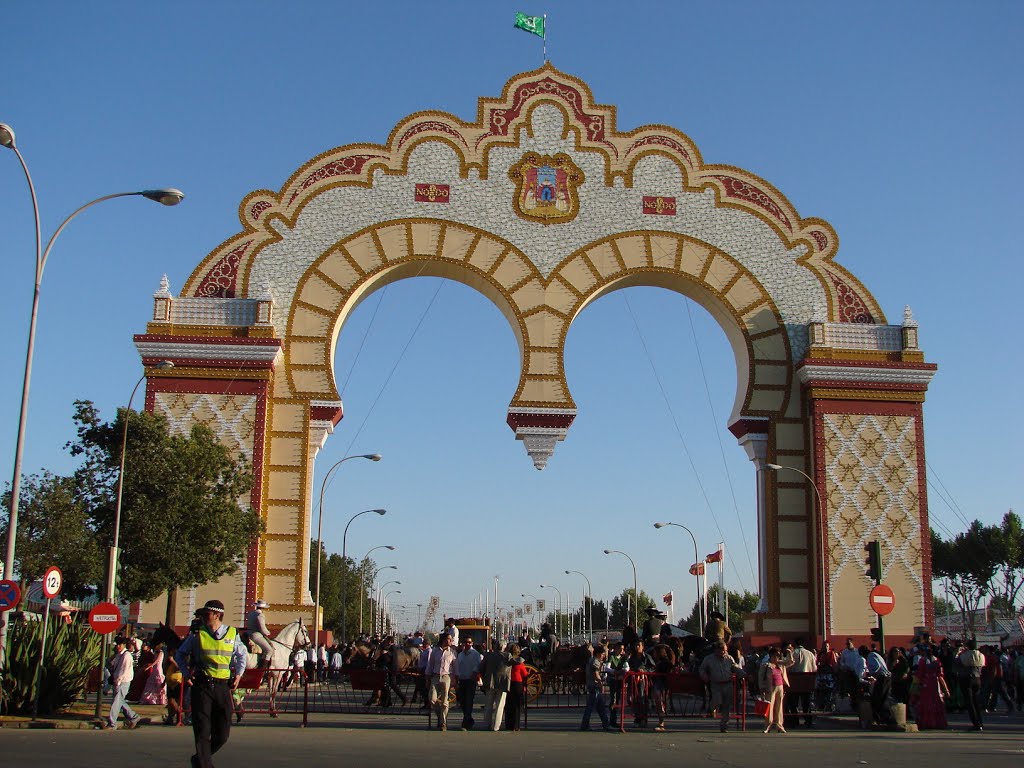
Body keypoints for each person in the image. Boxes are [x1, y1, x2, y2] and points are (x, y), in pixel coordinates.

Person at [175, 599, 248, 768]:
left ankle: (200, 758)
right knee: (202, 729)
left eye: (206, 614)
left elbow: (242, 655)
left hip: (222, 687)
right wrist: (186, 674)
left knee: (223, 732)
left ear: (217, 615)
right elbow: (180, 654)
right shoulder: (198, 634)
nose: (203, 618)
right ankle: (204, 763)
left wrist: (239, 674)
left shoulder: (232, 633)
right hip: (202, 685)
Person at [699, 640, 744, 733]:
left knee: (726, 706)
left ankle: (724, 725)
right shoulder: (709, 659)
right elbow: (702, 669)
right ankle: (711, 709)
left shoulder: (729, 658)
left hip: (728, 684)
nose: (724, 652)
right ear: (717, 650)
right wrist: (704, 675)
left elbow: (735, 667)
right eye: (722, 650)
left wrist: (744, 674)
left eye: (725, 650)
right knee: (717, 700)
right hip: (716, 684)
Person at [104, 635, 141, 730]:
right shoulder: (118, 655)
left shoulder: (127, 655)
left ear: (124, 645)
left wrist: (118, 681)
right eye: (117, 645)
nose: (117, 646)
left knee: (116, 703)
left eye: (119, 644)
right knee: (120, 702)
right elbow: (112, 666)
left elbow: (123, 671)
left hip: (123, 682)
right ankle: (134, 717)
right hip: (117, 681)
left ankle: (112, 723)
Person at [427, 633, 459, 731]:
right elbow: (430, 664)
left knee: (445, 702)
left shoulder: (453, 652)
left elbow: (456, 667)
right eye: (448, 639)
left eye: (451, 639)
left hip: (447, 677)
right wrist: (427, 677)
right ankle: (440, 716)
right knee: (432, 699)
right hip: (436, 676)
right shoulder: (435, 651)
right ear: (443, 640)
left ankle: (443, 723)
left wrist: (455, 680)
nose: (450, 641)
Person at [914, 645, 949, 730]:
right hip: (935, 683)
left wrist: (917, 685)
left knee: (926, 702)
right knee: (936, 702)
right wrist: (946, 689)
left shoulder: (923, 661)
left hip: (926, 683)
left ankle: (927, 722)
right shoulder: (937, 661)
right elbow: (940, 676)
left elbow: (919, 675)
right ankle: (937, 722)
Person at [784, 637, 817, 727]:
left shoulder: (792, 653)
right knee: (806, 703)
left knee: (792, 703)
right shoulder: (810, 654)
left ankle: (795, 720)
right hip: (806, 680)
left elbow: (788, 667)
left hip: (794, 680)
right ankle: (808, 721)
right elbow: (814, 668)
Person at [580, 644, 614, 732]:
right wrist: (600, 684)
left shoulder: (591, 660)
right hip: (595, 686)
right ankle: (585, 724)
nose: (603, 656)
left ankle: (605, 724)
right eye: (603, 654)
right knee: (591, 707)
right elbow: (596, 673)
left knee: (600, 707)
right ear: (598, 654)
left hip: (592, 685)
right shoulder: (596, 661)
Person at [481, 639, 512, 731]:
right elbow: (514, 662)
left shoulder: (488, 655)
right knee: (500, 705)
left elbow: (482, 666)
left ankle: (486, 724)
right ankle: (496, 726)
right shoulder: (507, 655)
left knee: (488, 704)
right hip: (502, 682)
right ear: (503, 646)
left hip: (490, 681)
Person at [958, 639, 986, 731]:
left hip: (967, 678)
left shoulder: (964, 655)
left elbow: (959, 664)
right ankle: (980, 722)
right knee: (976, 701)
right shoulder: (981, 655)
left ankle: (976, 723)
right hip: (978, 678)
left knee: (970, 702)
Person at [759, 649, 789, 733]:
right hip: (770, 687)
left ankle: (779, 725)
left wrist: (789, 653)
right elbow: (761, 677)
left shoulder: (780, 664)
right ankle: (768, 725)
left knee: (779, 707)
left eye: (778, 656)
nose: (777, 658)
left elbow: (790, 662)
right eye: (775, 656)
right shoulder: (766, 665)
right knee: (769, 706)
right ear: (771, 656)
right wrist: (762, 688)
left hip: (780, 686)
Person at [455, 636, 482, 729]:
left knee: (468, 701)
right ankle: (469, 719)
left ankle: (465, 722)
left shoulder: (475, 654)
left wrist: (474, 673)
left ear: (472, 643)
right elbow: (457, 666)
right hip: (462, 680)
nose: (467, 644)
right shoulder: (461, 655)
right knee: (462, 701)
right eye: (466, 642)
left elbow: (478, 665)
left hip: (471, 680)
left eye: (469, 642)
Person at [246, 599, 274, 669]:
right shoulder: (260, 615)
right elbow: (262, 628)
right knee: (269, 650)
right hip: (256, 635)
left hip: (248, 633)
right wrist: (268, 633)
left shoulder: (251, 614)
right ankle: (262, 668)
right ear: (263, 608)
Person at [506, 644, 528, 731]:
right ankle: (516, 725)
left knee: (508, 705)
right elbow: (524, 673)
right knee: (517, 706)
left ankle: (508, 724)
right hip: (517, 683)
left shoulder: (507, 660)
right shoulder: (520, 662)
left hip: (508, 683)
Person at [140, 641, 168, 705]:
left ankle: (160, 699)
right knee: (151, 682)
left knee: (159, 681)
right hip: (155, 668)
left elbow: (157, 661)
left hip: (158, 668)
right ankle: (151, 698)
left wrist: (149, 666)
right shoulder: (155, 652)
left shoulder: (161, 652)